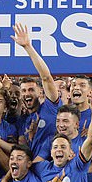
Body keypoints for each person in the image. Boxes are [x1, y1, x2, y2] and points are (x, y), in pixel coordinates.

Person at [11, 23, 60, 160]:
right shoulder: (22, 120)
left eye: (31, 90)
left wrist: (28, 47)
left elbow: (46, 77)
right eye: (24, 90)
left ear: (41, 92)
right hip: (31, 171)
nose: (27, 93)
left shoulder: (51, 107)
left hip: (51, 168)